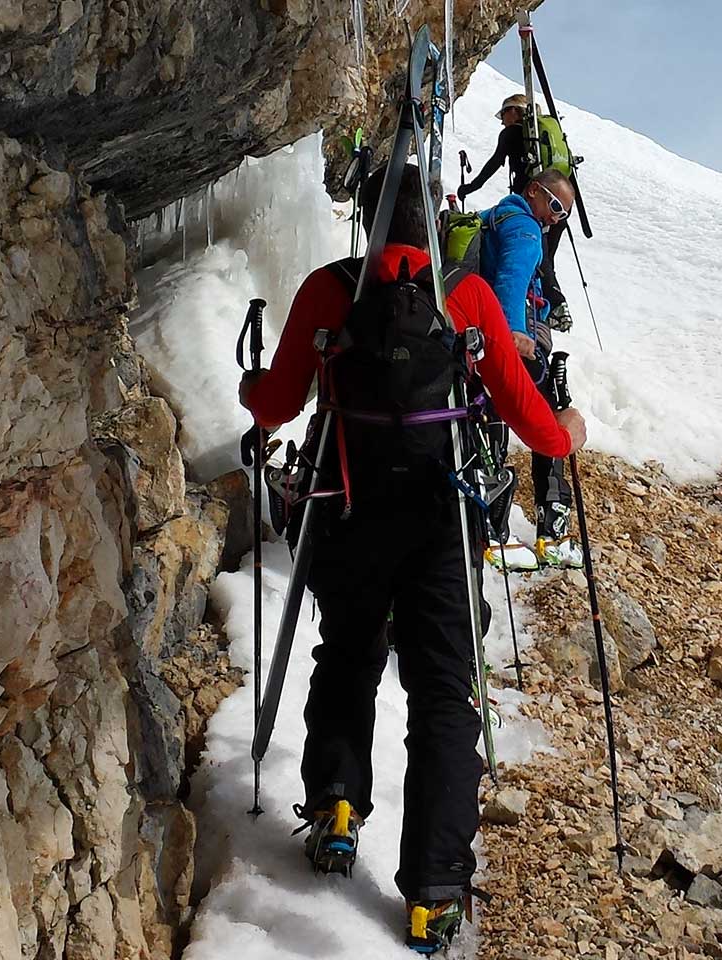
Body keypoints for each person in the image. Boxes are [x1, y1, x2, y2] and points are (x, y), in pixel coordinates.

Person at [239, 163, 586, 953]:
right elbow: (523, 411)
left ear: (366, 219)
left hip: (349, 512)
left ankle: (333, 804)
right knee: (442, 693)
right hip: (439, 523)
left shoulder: (330, 290)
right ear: (436, 221)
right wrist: (569, 432)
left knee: (349, 653)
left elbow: (280, 402)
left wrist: (252, 388)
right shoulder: (463, 296)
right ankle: (432, 890)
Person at [474, 168, 584, 569]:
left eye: (565, 214)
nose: (556, 217)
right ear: (533, 191)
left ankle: (490, 525)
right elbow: (513, 278)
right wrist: (515, 334)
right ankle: (551, 532)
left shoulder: (494, 217)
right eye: (555, 205)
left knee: (487, 419)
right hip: (516, 343)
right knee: (549, 419)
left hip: (482, 338)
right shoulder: (524, 226)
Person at [460, 94, 574, 333]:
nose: (502, 121)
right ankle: (551, 307)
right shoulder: (544, 142)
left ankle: (534, 315)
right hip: (558, 209)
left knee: (530, 260)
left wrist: (470, 187)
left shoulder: (512, 134)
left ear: (514, 111)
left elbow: (495, 163)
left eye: (504, 114)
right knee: (542, 260)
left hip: (535, 206)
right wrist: (559, 212)